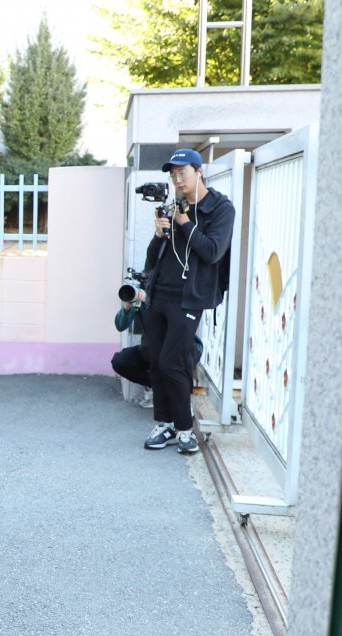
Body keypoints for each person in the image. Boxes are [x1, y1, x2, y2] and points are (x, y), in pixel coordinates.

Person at [140, 148, 234, 455]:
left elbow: (212, 251)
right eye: (173, 175)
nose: (178, 180)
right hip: (159, 295)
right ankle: (164, 423)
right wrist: (158, 234)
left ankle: (185, 429)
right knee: (155, 361)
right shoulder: (172, 207)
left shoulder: (220, 208)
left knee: (173, 363)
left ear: (199, 171)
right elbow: (152, 259)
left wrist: (183, 223)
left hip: (189, 298)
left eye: (184, 173)